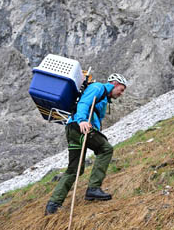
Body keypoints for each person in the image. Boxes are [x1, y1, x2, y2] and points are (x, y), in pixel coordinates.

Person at [45, 73, 128, 215]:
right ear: (114, 84)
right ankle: (93, 189)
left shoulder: (103, 96)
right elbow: (84, 103)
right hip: (80, 126)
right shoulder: (98, 87)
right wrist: (83, 119)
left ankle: (53, 205)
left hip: (72, 129)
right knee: (105, 149)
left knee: (74, 169)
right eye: (121, 89)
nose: (121, 93)